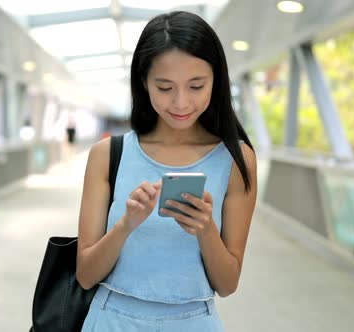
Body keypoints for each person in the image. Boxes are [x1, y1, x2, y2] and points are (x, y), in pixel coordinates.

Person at [76, 11, 257, 331]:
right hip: (112, 320)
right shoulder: (107, 155)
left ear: (216, 80)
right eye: (164, 87)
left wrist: (205, 229)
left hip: (194, 322)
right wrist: (125, 225)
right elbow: (86, 274)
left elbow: (228, 284)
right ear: (143, 82)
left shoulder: (235, 160)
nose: (181, 102)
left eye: (196, 85)